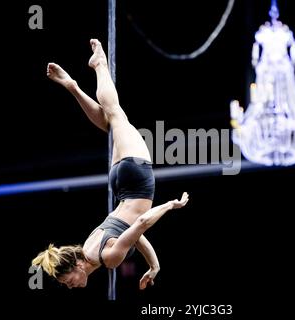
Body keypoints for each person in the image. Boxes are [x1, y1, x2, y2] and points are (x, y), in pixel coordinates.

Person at [32, 39, 189, 290]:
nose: (70, 287)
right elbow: (136, 235)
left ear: (77, 267)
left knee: (115, 114)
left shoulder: (109, 259)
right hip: (122, 182)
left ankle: (99, 65)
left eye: (68, 281)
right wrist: (154, 265)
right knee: (112, 124)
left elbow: (141, 224)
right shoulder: (88, 246)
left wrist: (171, 205)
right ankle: (73, 85)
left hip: (136, 179)